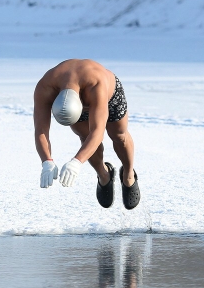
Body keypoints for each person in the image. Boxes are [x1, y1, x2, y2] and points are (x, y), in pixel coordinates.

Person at [33, 59, 140, 210]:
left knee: (119, 135)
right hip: (79, 97)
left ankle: (128, 175)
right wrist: (46, 161)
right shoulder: (45, 87)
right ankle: (104, 175)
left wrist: (77, 162)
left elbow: (97, 132)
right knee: (84, 137)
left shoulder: (96, 85)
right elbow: (40, 131)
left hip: (107, 93)